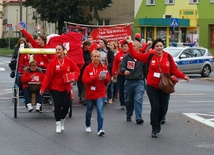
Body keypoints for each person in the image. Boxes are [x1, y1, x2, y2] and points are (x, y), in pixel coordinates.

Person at [127, 38, 190, 138]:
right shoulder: (150, 55)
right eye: (157, 46)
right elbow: (136, 55)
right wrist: (130, 43)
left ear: (163, 46)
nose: (159, 47)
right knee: (155, 106)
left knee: (163, 108)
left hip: (164, 86)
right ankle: (154, 128)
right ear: (154, 47)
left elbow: (174, 70)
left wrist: (183, 76)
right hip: (152, 85)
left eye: (161, 46)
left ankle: (159, 121)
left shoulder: (168, 57)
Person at [40, 45, 80, 133]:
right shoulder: (53, 62)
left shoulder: (69, 61)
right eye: (56, 49)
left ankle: (62, 120)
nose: (57, 51)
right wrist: (43, 88)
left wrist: (74, 77)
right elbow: (47, 76)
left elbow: (77, 71)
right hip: (55, 87)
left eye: (59, 49)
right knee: (57, 105)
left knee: (66, 105)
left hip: (66, 87)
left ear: (63, 51)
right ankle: (58, 123)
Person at [82, 50, 110, 136]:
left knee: (100, 110)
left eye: (98, 56)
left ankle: (100, 129)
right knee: (89, 110)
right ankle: (88, 124)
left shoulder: (104, 67)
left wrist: (105, 78)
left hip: (100, 92)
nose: (96, 58)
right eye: (94, 56)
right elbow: (85, 80)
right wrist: (95, 77)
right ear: (91, 58)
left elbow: (108, 80)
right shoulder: (88, 68)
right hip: (90, 93)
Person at [120, 38, 146, 124]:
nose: (132, 47)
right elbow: (122, 66)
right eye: (132, 45)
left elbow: (146, 70)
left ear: (139, 47)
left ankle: (138, 117)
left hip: (139, 81)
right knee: (129, 100)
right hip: (129, 82)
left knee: (138, 99)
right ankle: (129, 114)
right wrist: (124, 71)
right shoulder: (127, 57)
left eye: (134, 46)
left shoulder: (142, 57)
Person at [111, 40, 129, 110]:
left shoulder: (130, 54)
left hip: (129, 75)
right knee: (121, 89)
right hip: (121, 74)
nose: (125, 48)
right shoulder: (118, 54)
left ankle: (128, 102)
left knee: (128, 89)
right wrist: (113, 73)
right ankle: (122, 103)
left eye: (126, 46)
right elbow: (115, 64)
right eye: (123, 46)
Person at [97, 38, 114, 104]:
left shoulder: (109, 52)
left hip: (106, 69)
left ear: (105, 44)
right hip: (97, 68)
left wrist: (108, 68)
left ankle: (105, 97)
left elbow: (112, 62)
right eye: (99, 42)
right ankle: (99, 97)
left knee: (106, 84)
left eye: (101, 42)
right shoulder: (96, 50)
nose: (100, 43)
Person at [77, 40, 91, 105]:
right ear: (85, 46)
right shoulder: (81, 52)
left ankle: (83, 98)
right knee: (80, 84)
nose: (89, 47)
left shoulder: (89, 52)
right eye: (88, 45)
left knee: (85, 85)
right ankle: (80, 96)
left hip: (86, 70)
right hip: (80, 69)